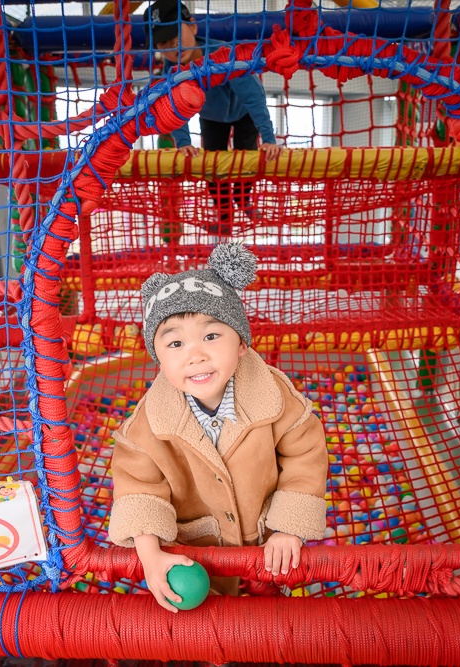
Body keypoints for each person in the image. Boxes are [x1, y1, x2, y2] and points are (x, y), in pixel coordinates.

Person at [107, 242, 327, 612]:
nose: (196, 354)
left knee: (271, 615)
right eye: (175, 343)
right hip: (197, 547)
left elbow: (305, 456)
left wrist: (289, 527)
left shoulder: (275, 397)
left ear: (241, 343)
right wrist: (149, 554)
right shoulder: (146, 423)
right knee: (207, 618)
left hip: (267, 541)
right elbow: (138, 487)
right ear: (157, 357)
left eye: (211, 336)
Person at [147, 0, 282, 232]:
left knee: (246, 157)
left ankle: (243, 201)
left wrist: (269, 138)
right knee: (211, 167)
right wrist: (183, 142)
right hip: (211, 117)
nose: (172, 48)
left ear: (193, 27)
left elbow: (254, 97)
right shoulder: (170, 72)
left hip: (244, 112)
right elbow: (174, 108)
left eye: (176, 37)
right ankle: (224, 217)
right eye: (163, 42)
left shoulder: (223, 56)